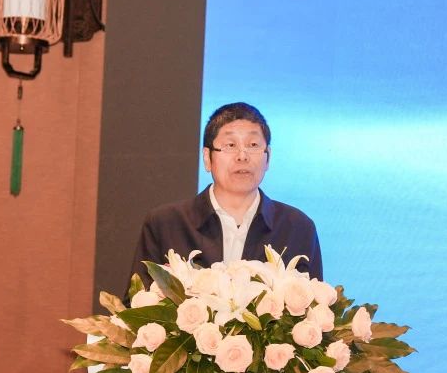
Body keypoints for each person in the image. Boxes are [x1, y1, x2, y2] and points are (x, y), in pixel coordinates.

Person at [129, 102, 323, 288]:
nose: (242, 156)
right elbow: (137, 302)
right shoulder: (167, 224)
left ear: (268, 157)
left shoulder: (297, 228)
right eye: (230, 145)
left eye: (253, 145)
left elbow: (314, 306)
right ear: (207, 158)